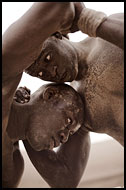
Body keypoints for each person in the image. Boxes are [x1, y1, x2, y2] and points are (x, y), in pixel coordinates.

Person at [2, 2, 91, 188]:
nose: (65, 138)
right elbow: (57, 8)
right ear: (49, 95)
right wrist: (80, 19)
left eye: (70, 132)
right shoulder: (4, 85)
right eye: (68, 121)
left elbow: (66, 181)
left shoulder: (12, 167)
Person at [25, 10, 124, 146]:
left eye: (48, 59)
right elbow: (65, 167)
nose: (52, 72)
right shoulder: (73, 105)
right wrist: (25, 126)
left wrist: (85, 19)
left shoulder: (105, 37)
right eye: (41, 74)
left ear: (57, 35)